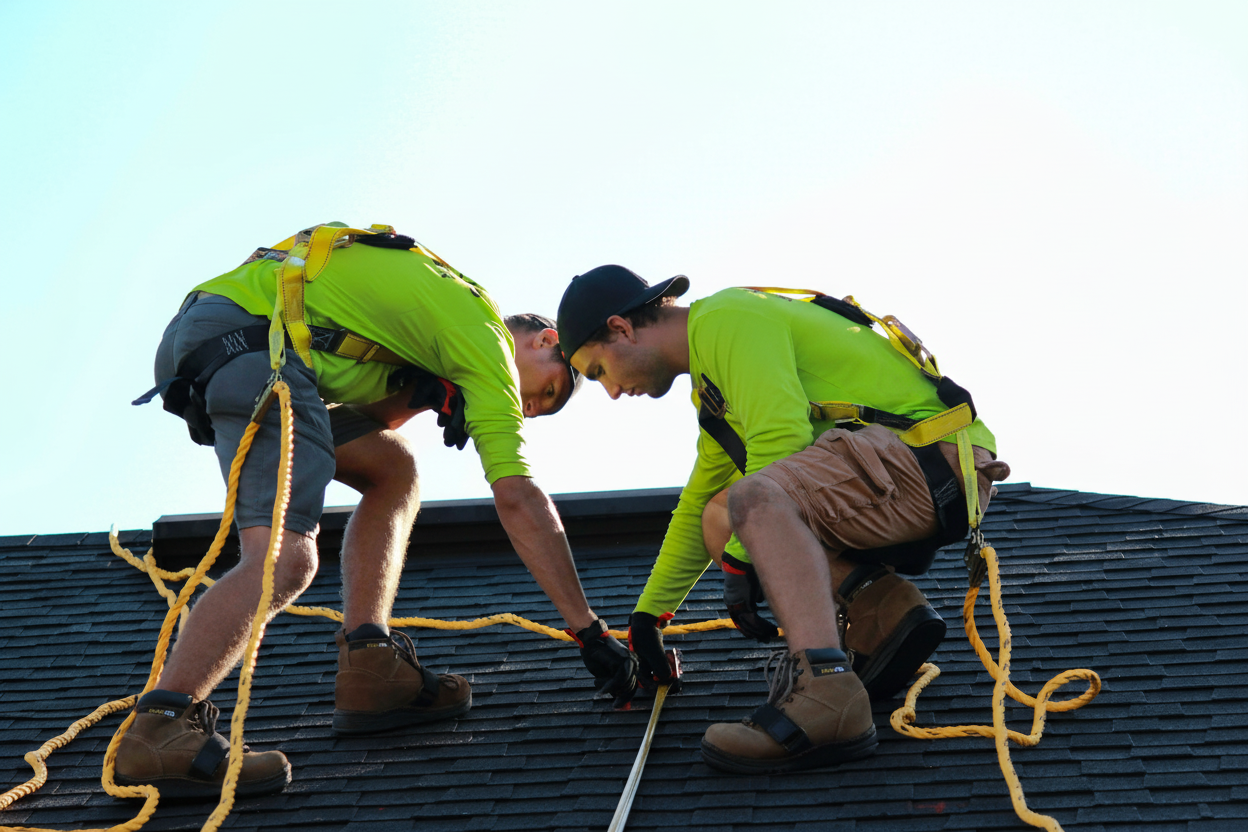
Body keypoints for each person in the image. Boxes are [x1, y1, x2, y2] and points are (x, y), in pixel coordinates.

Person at [117, 224, 636, 799]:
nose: (529, 408)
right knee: (286, 560)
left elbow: (355, 429)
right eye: (546, 393)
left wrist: (420, 396)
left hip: (232, 334)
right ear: (543, 341)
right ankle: (160, 726)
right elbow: (517, 497)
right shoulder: (484, 338)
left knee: (394, 468)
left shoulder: (438, 323)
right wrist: (588, 631)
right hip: (251, 343)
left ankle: (370, 664)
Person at [556, 265, 1009, 774]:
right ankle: (882, 609)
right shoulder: (714, 384)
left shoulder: (726, 318)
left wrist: (742, 559)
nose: (612, 391)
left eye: (599, 371)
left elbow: (781, 442)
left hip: (929, 461)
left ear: (621, 328)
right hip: (912, 470)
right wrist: (649, 618)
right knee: (719, 514)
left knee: (752, 498)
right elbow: (699, 500)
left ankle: (827, 690)